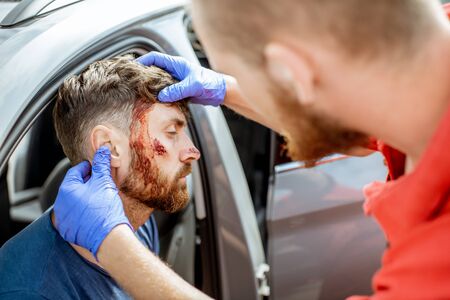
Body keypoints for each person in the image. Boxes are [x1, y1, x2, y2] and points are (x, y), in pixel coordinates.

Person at [53, 1, 450, 299]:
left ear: (291, 74)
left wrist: (116, 249)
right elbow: (363, 132)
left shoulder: (433, 270)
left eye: (244, 76)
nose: (194, 151)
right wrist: (226, 88)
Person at [0, 56, 202, 299]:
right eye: (171, 132)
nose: (193, 152)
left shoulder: (138, 218)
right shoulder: (30, 292)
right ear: (109, 147)